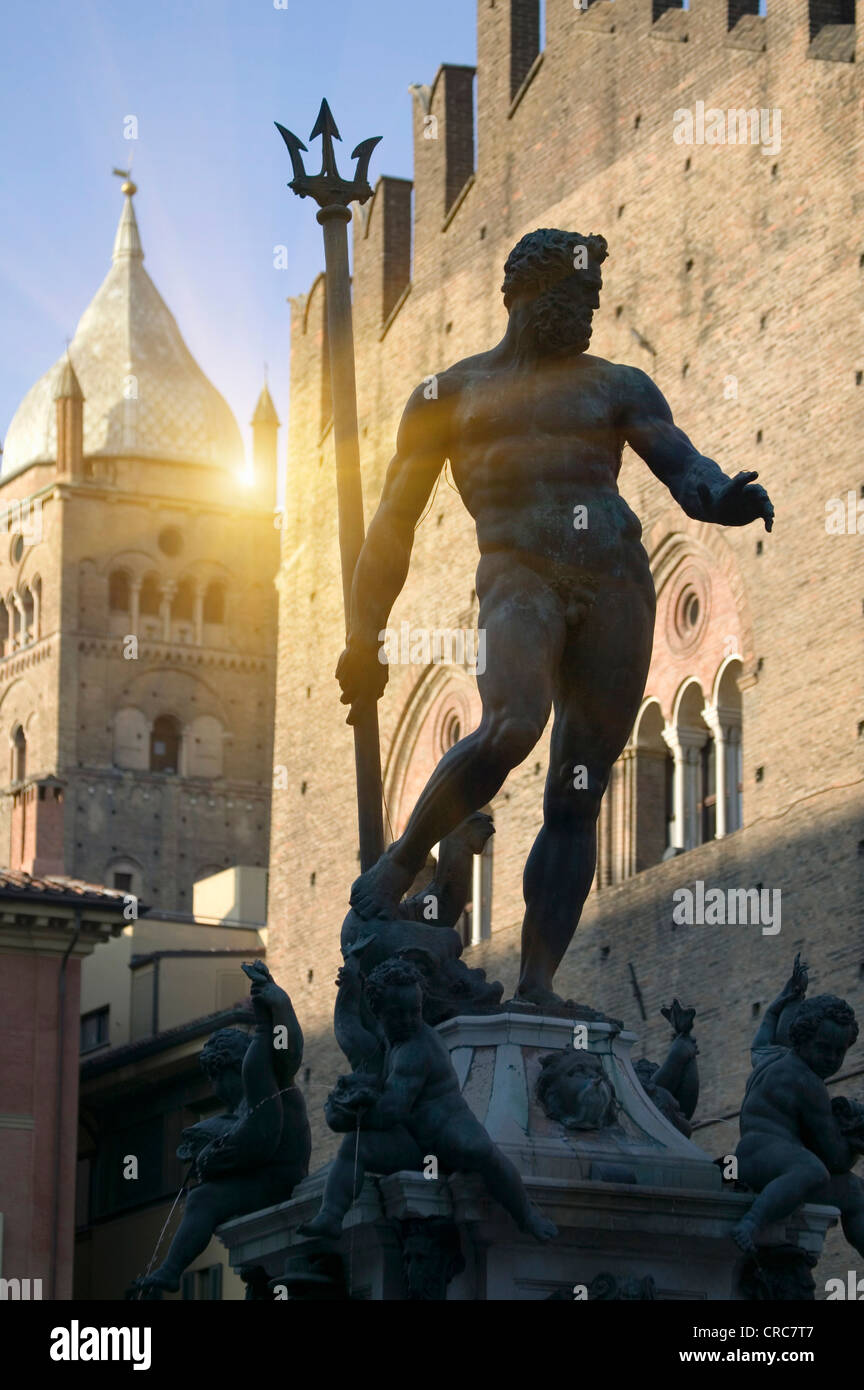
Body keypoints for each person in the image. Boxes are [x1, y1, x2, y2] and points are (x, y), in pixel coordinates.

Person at [337, 227, 774, 1008]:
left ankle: (537, 985)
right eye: (571, 297)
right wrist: (364, 636)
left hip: (614, 582)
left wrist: (718, 498)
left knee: (579, 793)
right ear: (524, 296)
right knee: (511, 724)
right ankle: (403, 861)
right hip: (518, 576)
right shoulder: (448, 396)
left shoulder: (617, 385)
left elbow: (680, 462)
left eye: (592, 301)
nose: (585, 314)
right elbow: (393, 526)